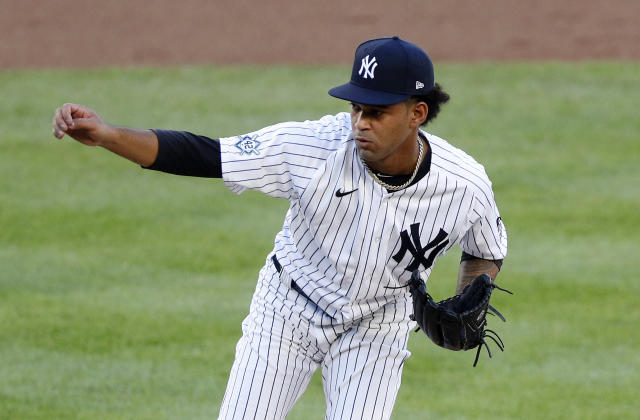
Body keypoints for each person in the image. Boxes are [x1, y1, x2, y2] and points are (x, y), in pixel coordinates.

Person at [52, 36, 507, 420]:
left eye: (377, 112)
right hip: (288, 309)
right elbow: (207, 154)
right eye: (356, 108)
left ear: (417, 113)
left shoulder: (464, 184)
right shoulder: (315, 148)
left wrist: (473, 290)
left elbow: (486, 246)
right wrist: (110, 136)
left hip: (377, 326)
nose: (360, 123)